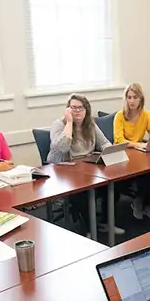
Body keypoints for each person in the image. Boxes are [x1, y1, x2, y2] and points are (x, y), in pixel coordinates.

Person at [48, 94, 124, 235]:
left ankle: (106, 223)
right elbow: (62, 148)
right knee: (83, 194)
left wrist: (109, 151)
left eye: (80, 108)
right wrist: (69, 123)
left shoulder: (90, 124)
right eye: (73, 107)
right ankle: (88, 230)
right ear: (67, 110)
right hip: (64, 171)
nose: (76, 111)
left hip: (87, 169)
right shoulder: (59, 125)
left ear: (86, 110)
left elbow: (104, 143)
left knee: (114, 186)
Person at [113, 83, 150, 220]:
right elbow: (119, 140)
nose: (132, 101)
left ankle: (143, 202)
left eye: (135, 97)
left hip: (138, 154)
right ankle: (138, 201)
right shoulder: (120, 116)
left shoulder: (145, 115)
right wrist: (139, 144)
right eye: (129, 97)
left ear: (141, 99)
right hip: (122, 155)